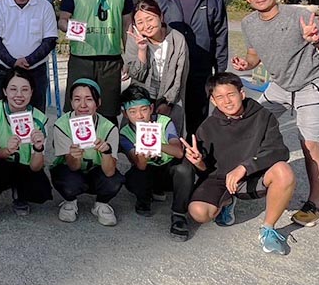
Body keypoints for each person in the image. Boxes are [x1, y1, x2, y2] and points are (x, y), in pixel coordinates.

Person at [234, 0, 319, 227]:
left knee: (309, 145)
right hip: (280, 85)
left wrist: (318, 39)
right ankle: (249, 182)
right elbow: (253, 55)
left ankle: (316, 204)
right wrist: (245, 63)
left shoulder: (297, 15)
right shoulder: (249, 23)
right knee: (249, 123)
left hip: (311, 84)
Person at [184, 73, 296, 255]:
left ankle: (268, 229)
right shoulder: (208, 126)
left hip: (251, 176)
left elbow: (279, 151)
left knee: (284, 171)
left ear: (242, 94)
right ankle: (226, 201)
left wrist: (245, 167)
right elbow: (206, 171)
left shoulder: (263, 116)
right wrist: (198, 162)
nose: (227, 101)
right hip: (219, 178)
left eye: (231, 94)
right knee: (198, 212)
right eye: (219, 97)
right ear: (213, 101)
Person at [58, 0, 133, 120]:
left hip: (111, 58)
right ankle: (75, 148)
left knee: (108, 112)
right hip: (81, 58)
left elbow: (127, 24)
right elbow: (62, 20)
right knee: (78, 111)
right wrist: (72, 29)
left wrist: (130, 57)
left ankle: (107, 148)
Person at [157, 0, 228, 136]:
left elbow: (221, 36)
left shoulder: (214, 0)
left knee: (198, 120)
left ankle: (195, 161)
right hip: (169, 70)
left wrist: (220, 73)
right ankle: (167, 161)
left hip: (200, 69)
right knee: (166, 118)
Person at [0, 68, 52, 229]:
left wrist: (38, 149)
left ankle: (20, 193)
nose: (19, 95)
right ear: (4, 91)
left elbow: (36, 167)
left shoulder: (40, 119)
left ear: (32, 92)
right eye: (13, 89)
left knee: (41, 191)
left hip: (23, 165)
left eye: (25, 90)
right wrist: (7, 151)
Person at [119, 85, 193, 241]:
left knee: (185, 169)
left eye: (144, 109)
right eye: (132, 112)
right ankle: (144, 199)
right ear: (125, 113)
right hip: (147, 172)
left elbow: (178, 151)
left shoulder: (164, 122)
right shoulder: (125, 133)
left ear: (151, 108)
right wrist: (143, 155)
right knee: (133, 178)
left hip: (168, 171)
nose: (139, 116)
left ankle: (179, 214)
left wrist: (156, 143)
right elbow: (140, 166)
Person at [50, 79, 123, 226]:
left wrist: (107, 152)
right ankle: (70, 201)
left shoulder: (109, 128)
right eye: (77, 99)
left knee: (114, 181)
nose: (83, 105)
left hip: (97, 171)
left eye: (89, 99)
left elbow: (109, 172)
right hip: (71, 172)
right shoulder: (61, 125)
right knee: (69, 181)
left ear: (98, 102)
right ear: (71, 102)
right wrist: (74, 155)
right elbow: (73, 167)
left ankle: (101, 204)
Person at [123, 0, 189, 133]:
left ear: (161, 16)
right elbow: (136, 76)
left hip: (170, 97)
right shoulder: (134, 39)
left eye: (150, 19)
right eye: (140, 22)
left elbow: (180, 77)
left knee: (169, 139)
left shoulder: (177, 39)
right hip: (141, 100)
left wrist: (168, 103)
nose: (146, 26)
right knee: (139, 145)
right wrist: (142, 50)